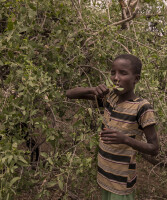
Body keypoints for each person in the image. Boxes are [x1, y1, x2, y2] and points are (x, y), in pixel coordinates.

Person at [66, 54, 159, 200]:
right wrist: (93, 89)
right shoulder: (110, 97)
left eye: (123, 73)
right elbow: (70, 94)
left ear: (136, 79)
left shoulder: (142, 107)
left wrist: (125, 140)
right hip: (104, 173)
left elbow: (154, 149)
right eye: (113, 72)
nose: (116, 78)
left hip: (121, 181)